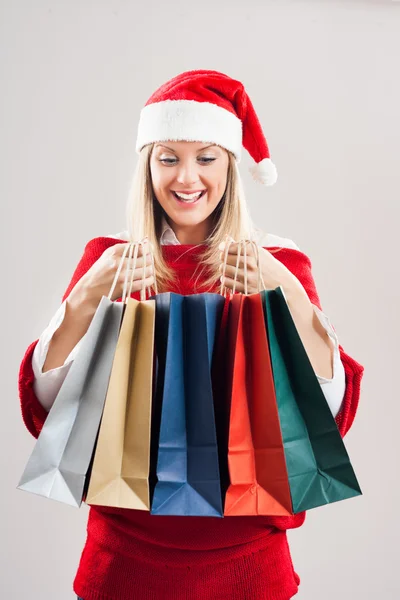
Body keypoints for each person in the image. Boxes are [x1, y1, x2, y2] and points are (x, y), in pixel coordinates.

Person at [18, 69, 364, 600]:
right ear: (147, 166)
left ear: (230, 166)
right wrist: (87, 295)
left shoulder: (278, 262)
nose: (187, 178)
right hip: (123, 557)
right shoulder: (110, 261)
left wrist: (287, 293)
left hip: (250, 562)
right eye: (168, 158)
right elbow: (50, 411)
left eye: (206, 157)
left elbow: (327, 411)